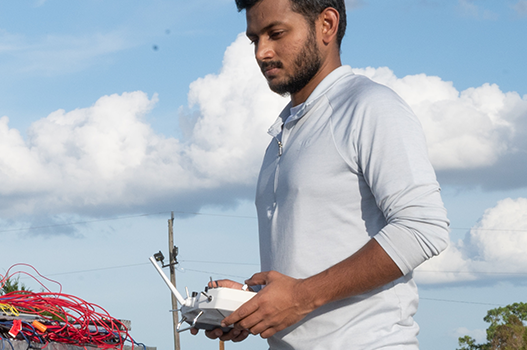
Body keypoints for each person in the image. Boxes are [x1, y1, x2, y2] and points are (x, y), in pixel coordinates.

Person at [189, 0, 452, 348]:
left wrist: (301, 296)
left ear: (327, 24)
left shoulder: (371, 106)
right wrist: (251, 304)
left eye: (276, 33)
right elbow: (304, 270)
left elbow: (423, 228)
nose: (262, 52)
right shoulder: (281, 136)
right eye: (254, 39)